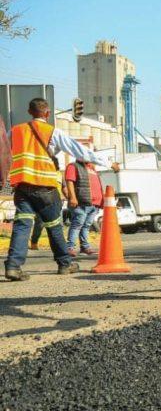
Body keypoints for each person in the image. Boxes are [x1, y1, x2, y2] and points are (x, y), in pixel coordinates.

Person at [4, 98, 119, 281]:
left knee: (22, 225)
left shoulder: (15, 131)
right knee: (54, 226)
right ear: (48, 114)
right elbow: (80, 152)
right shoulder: (53, 132)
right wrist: (108, 163)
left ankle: (13, 266)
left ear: (29, 111)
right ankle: (65, 264)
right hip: (45, 189)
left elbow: (3, 155)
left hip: (22, 188)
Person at [64, 158, 103, 256]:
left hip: (94, 204)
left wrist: (101, 201)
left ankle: (85, 247)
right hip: (81, 203)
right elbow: (69, 181)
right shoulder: (73, 166)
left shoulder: (92, 168)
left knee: (86, 226)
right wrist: (72, 197)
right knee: (77, 225)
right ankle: (70, 247)